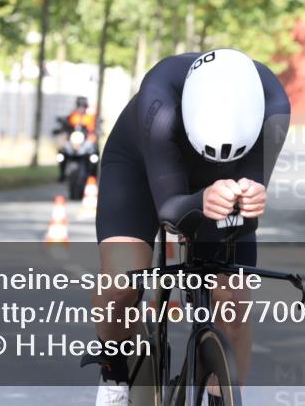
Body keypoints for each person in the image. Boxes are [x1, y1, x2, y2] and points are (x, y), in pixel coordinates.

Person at [87, 48, 290, 406]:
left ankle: (220, 398)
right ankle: (114, 374)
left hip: (223, 181)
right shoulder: (160, 100)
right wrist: (200, 201)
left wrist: (252, 197)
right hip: (139, 165)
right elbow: (169, 209)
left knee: (235, 302)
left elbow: (246, 213)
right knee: (121, 284)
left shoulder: (273, 105)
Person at [56, 97, 97, 181]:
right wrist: (62, 126)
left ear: (86, 106)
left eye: (83, 105)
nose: (81, 107)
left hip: (85, 140)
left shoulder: (90, 117)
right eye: (79, 105)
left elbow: (95, 126)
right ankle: (62, 173)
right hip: (73, 140)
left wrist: (97, 128)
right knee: (62, 152)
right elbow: (65, 123)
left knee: (95, 153)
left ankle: (93, 175)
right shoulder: (72, 115)